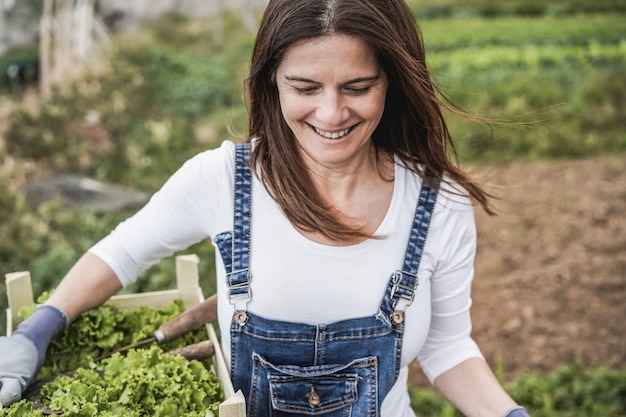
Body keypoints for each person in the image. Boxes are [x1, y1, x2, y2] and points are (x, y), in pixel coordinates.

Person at [0, 0, 532, 416]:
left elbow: (446, 348)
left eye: (358, 87)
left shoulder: (437, 204)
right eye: (305, 87)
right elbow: (123, 251)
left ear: (393, 81)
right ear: (271, 82)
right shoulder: (224, 181)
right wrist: (41, 326)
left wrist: (509, 413)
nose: (331, 112)